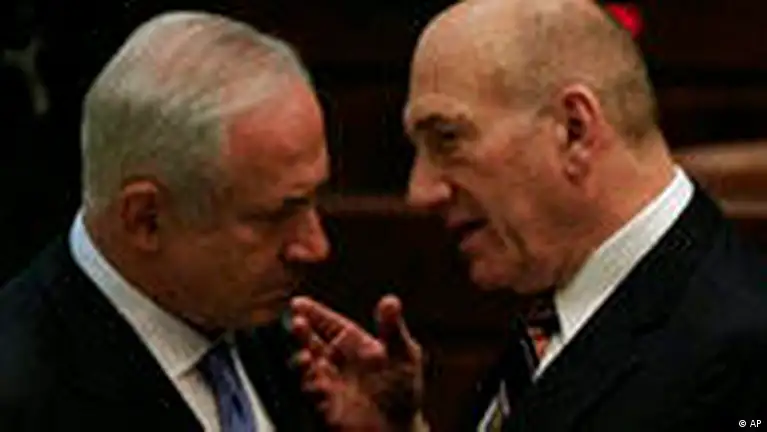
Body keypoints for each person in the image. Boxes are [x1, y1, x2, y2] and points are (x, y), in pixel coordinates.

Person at [289, 0, 767, 430]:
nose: (420, 192)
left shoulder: (744, 354)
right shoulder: (560, 305)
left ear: (574, 130)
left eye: (448, 139)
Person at [0, 11, 331, 431]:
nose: (317, 247)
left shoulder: (288, 341)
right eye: (274, 216)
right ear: (146, 220)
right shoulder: (23, 397)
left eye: (313, 200)